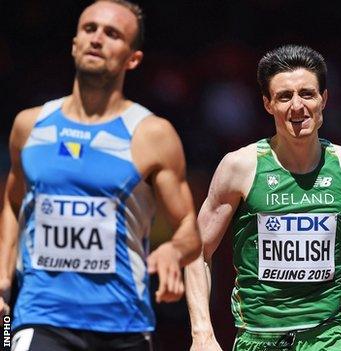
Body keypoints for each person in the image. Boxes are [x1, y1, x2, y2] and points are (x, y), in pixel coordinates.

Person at [0, 1, 202, 350]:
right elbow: (12, 203)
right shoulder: (29, 126)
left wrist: (174, 250)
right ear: (74, 42)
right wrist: (3, 277)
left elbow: (189, 227)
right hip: (41, 316)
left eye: (112, 34)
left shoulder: (152, 135)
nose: (97, 39)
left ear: (133, 58)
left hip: (124, 323)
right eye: (89, 29)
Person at [185, 44, 341, 351]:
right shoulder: (240, 167)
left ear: (324, 99)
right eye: (284, 96)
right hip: (258, 337)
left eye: (307, 94)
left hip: (329, 336)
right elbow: (197, 250)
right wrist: (202, 333)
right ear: (268, 103)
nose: (297, 106)